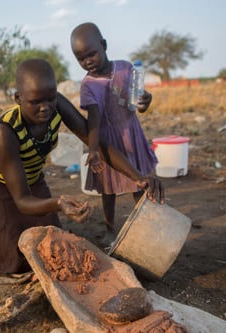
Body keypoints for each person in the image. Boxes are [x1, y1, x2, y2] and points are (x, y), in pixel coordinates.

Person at [0, 58, 163, 276]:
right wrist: (58, 203)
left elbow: (98, 144)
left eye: (50, 99)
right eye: (35, 102)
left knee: (52, 246)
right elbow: (23, 200)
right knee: (15, 260)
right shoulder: (5, 132)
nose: (45, 108)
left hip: (32, 180)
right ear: (18, 98)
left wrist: (138, 177)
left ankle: (0, 219)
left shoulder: (56, 105)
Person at [70, 22, 161, 245]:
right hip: (108, 142)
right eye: (81, 59)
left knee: (140, 184)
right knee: (108, 190)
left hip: (132, 134)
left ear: (104, 45)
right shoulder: (88, 85)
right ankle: (111, 231)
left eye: (91, 54)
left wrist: (146, 102)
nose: (87, 61)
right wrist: (93, 150)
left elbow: (138, 101)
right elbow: (93, 120)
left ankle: (144, 228)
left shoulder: (126, 68)